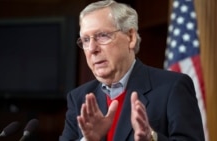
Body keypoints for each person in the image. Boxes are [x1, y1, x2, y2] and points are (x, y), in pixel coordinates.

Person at [59, 0, 205, 141]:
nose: (92, 49)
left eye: (102, 35)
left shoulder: (172, 87)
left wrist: (152, 138)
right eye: (85, 40)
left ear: (130, 37)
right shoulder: (79, 98)